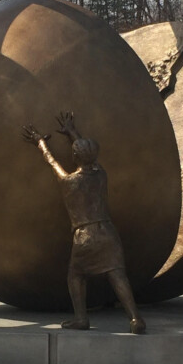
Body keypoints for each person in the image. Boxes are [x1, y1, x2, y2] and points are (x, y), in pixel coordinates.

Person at [23, 111, 145, 334]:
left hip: (85, 236)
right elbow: (91, 158)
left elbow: (51, 162)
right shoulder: (101, 174)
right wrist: (72, 132)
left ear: (75, 157)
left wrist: (40, 142)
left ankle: (81, 318)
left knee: (76, 276)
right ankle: (135, 318)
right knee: (117, 274)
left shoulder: (69, 182)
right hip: (108, 231)